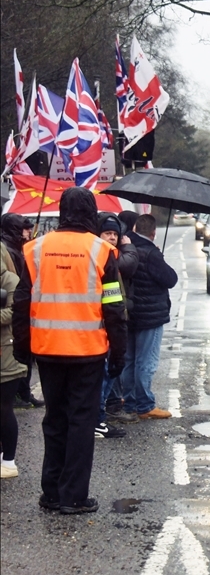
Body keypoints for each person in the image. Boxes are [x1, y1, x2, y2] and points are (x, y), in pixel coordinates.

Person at [12, 186, 127, 514]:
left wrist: (23, 350)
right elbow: (114, 307)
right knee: (81, 422)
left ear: (62, 211)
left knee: (55, 419)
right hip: (87, 351)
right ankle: (73, 496)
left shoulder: (35, 249)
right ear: (91, 212)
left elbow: (21, 303)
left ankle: (51, 492)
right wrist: (119, 352)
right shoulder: (102, 251)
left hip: (47, 349)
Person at [122, 213, 178, 421]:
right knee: (146, 362)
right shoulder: (151, 253)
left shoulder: (125, 248)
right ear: (153, 233)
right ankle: (145, 405)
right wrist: (158, 256)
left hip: (128, 313)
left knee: (129, 360)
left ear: (135, 229)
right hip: (150, 316)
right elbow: (170, 279)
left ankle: (129, 403)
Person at [94, 213, 138, 438]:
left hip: (111, 323)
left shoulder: (111, 253)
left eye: (114, 234)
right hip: (102, 326)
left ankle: (99, 416)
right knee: (104, 375)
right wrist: (129, 247)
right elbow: (128, 265)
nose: (112, 237)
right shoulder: (103, 255)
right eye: (107, 233)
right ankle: (97, 420)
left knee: (108, 373)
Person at [0, 213, 44, 408]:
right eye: (25, 229)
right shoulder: (8, 249)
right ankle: (21, 393)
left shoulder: (19, 247)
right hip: (16, 305)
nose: (28, 232)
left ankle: (24, 392)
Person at [1, 243, 27, 479]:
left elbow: (15, 311)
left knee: (4, 408)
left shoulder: (11, 280)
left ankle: (9, 461)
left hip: (7, 353)